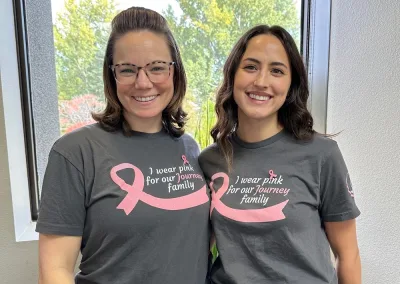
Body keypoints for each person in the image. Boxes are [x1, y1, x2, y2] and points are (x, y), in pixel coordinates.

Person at [36, 7, 210, 284]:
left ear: (175, 71)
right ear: (112, 75)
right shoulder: (75, 152)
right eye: (127, 69)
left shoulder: (190, 148)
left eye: (156, 67)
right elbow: (54, 271)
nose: (143, 83)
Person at [199, 25, 361, 284]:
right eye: (250, 67)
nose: (261, 81)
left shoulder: (321, 155)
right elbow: (197, 247)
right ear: (232, 76)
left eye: (277, 70)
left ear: (291, 83)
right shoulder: (209, 161)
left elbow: (348, 254)